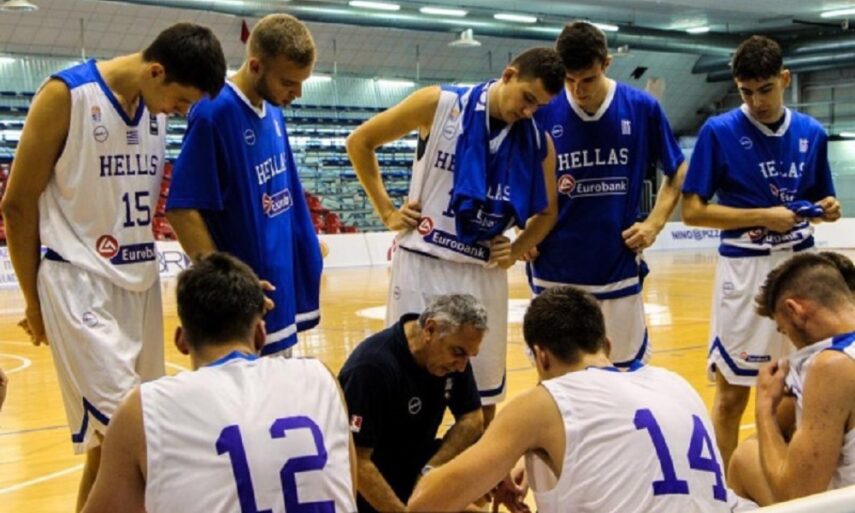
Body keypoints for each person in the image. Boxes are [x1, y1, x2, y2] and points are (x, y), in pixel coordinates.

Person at [0, 23, 226, 511]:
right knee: (141, 439)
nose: (179, 112)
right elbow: (16, 205)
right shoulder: (66, 95)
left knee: (106, 452)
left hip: (140, 284)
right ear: (156, 71)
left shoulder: (153, 108)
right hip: (79, 285)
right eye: (181, 101)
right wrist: (35, 304)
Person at [347, 47, 564, 420]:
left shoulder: (537, 142)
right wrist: (386, 211)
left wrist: (517, 249)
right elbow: (360, 141)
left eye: (538, 106)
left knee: (483, 395)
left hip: (482, 271)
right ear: (509, 75)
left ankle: (478, 458)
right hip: (423, 262)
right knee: (401, 381)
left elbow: (548, 213)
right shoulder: (439, 103)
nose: (529, 111)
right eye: (527, 98)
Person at [408, 286, 750, 513]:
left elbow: (424, 503)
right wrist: (526, 455)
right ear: (607, 345)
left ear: (541, 356)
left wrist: (440, 468)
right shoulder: (674, 383)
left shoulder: (543, 403)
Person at [81, 252, 357, 513]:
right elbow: (346, 488)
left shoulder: (143, 408)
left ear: (181, 341)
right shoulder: (321, 380)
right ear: (260, 335)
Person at [681, 34, 840, 468]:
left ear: (785, 79)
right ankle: (725, 489)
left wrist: (828, 208)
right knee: (733, 393)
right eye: (745, 91)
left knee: (801, 389)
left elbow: (822, 201)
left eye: (765, 89)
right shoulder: (719, 131)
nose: (756, 101)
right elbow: (693, 212)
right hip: (746, 270)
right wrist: (763, 216)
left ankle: (790, 479)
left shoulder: (811, 133)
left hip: (801, 267)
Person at [527, 21, 687, 367]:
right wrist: (521, 228)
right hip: (554, 268)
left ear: (606, 64)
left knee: (623, 373)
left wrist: (655, 223)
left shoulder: (641, 107)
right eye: (569, 80)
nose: (578, 90)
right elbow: (516, 174)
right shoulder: (542, 110)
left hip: (616, 267)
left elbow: (677, 170)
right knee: (558, 378)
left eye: (587, 79)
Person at [166, 14, 323, 356]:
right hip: (239, 311)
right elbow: (182, 209)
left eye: (301, 83)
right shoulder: (214, 113)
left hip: (276, 293)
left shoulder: (274, 110)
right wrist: (227, 286)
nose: (296, 93)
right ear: (255, 66)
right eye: (288, 82)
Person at [338, 294, 486, 513]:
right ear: (430, 330)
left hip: (415, 469)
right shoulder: (372, 368)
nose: (462, 367)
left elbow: (472, 419)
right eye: (458, 352)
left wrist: (431, 470)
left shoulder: (453, 356)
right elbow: (357, 462)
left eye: (469, 356)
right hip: (369, 486)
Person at [728, 252, 855, 505]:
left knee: (744, 457)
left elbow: (797, 497)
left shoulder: (833, 365)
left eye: (784, 330)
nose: (791, 342)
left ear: (795, 310)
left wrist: (764, 407)